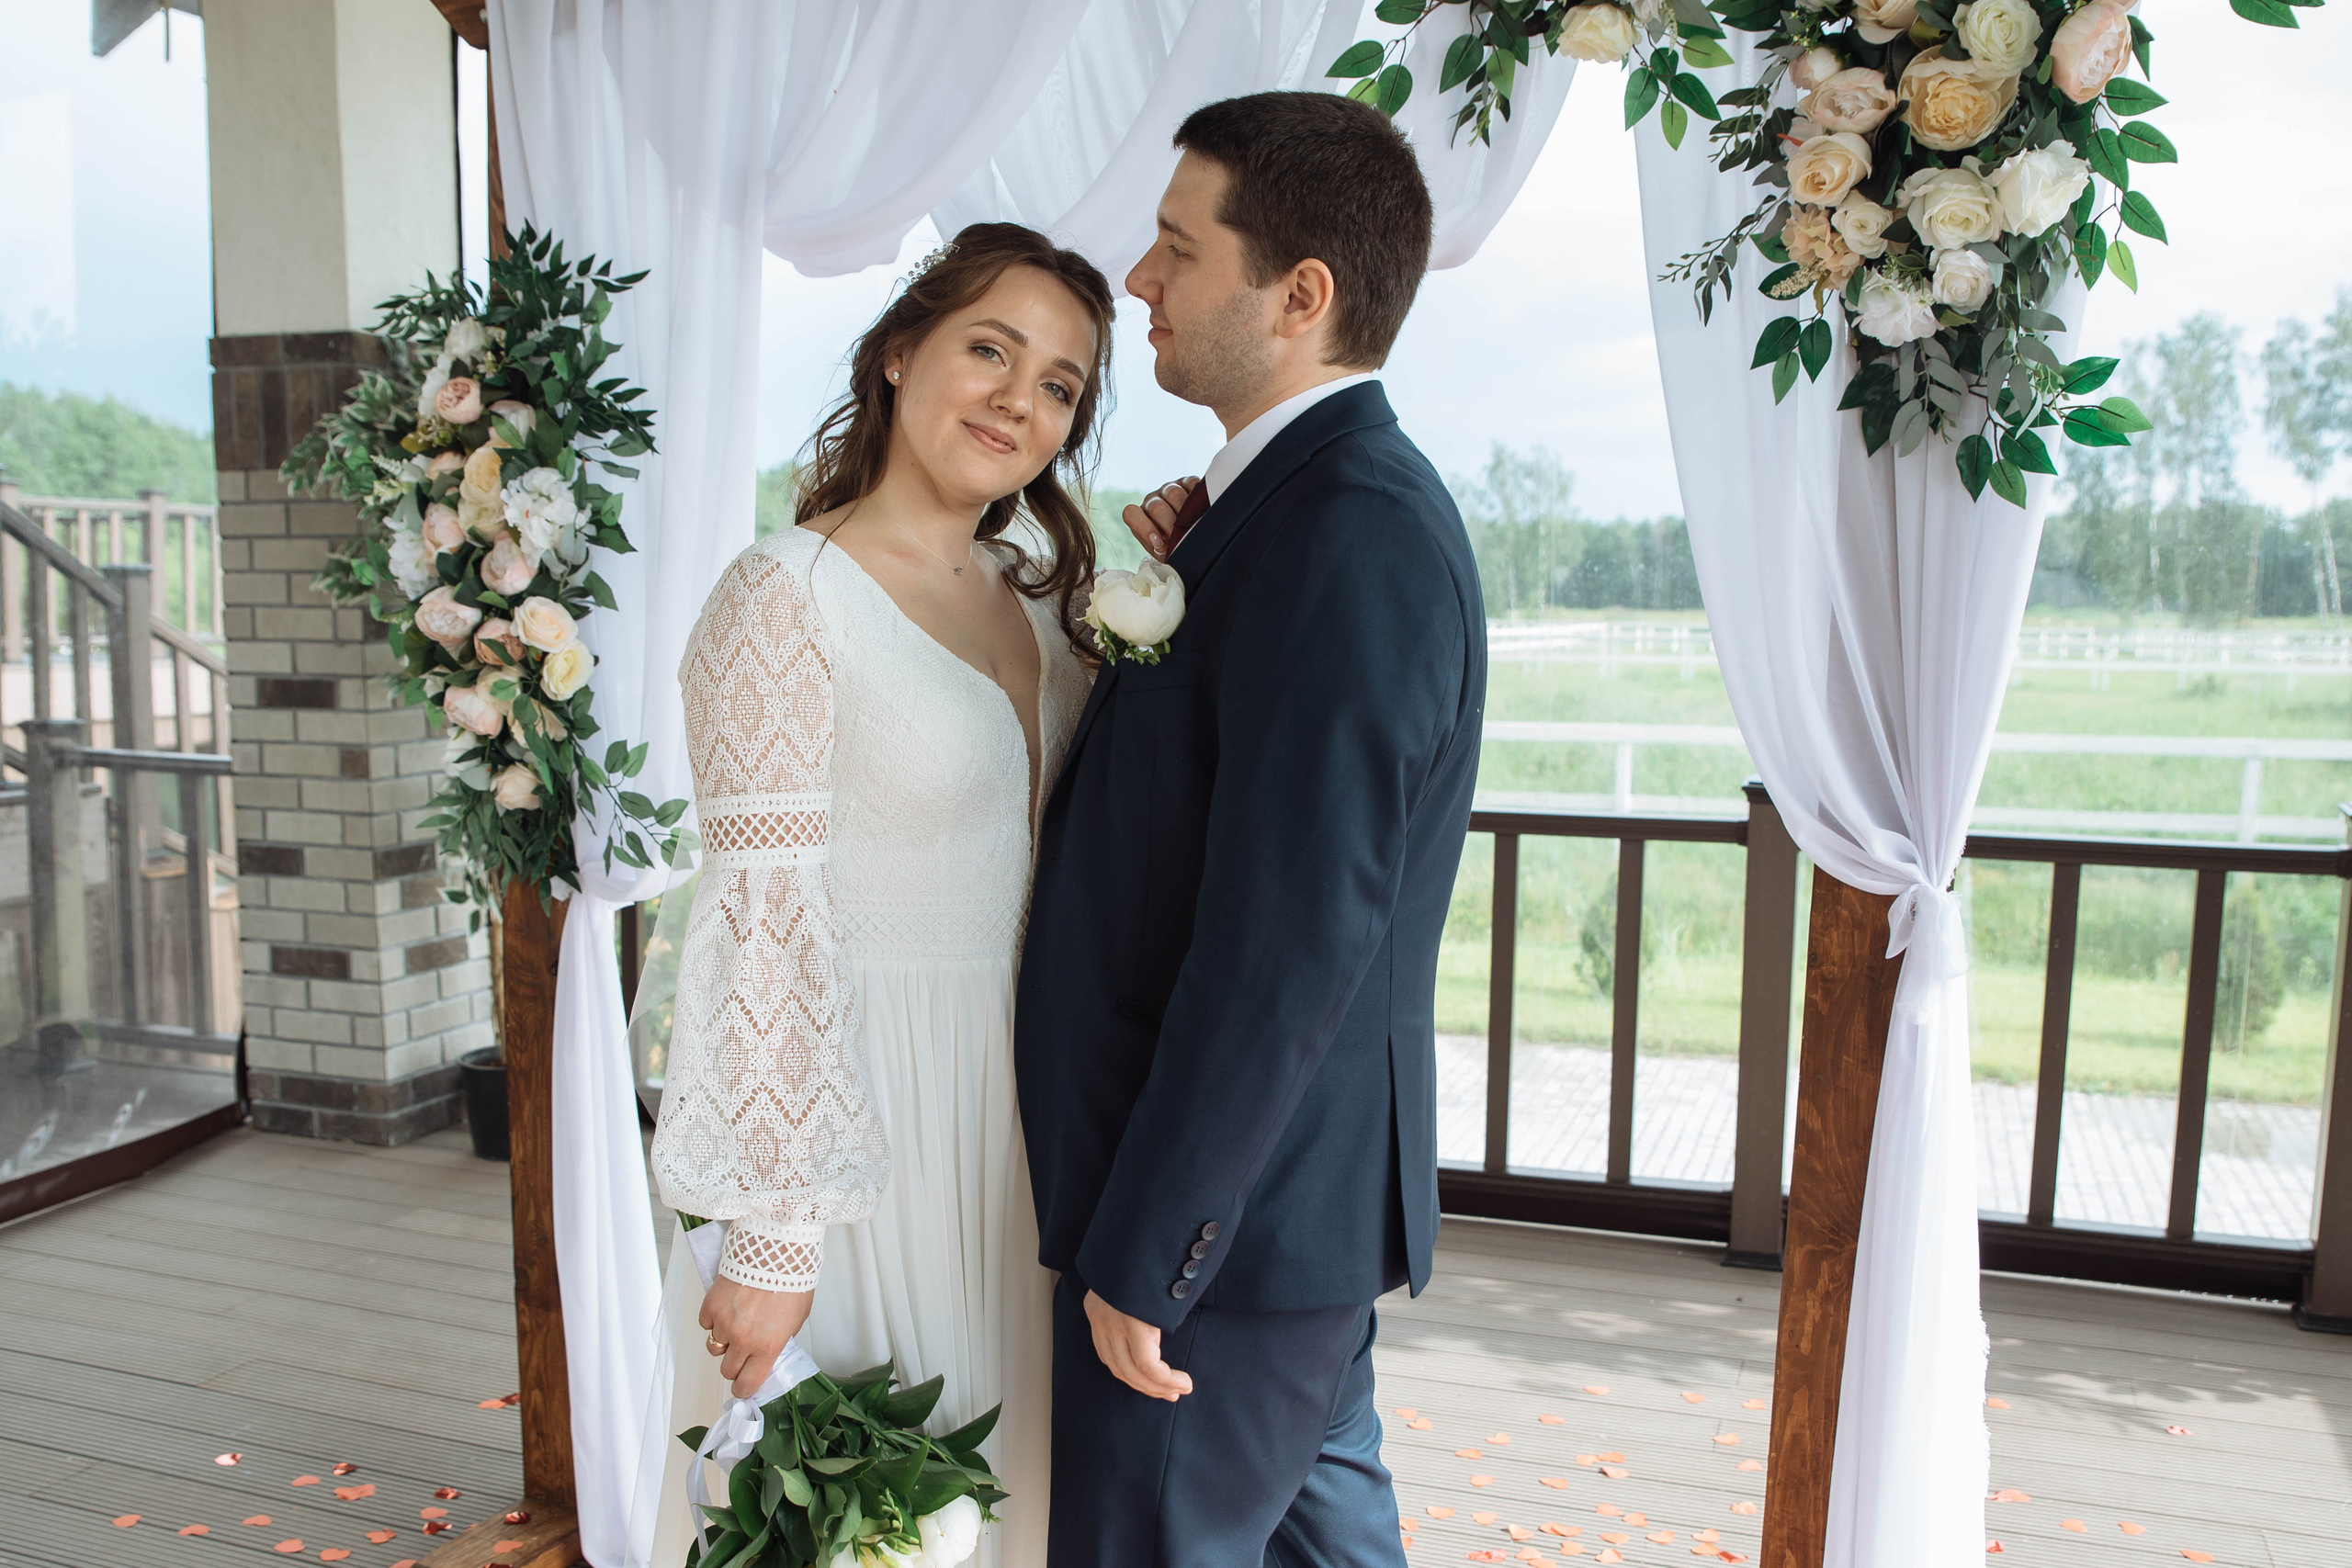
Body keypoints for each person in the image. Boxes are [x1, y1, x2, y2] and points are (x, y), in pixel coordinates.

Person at [1017, 92, 1487, 1568]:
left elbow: (1290, 943)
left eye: (1174, 248)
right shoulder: (1274, 515)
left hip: (1224, 1243)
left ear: (1300, 296)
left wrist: (1154, 1253)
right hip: (1283, 1230)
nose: (1140, 286)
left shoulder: (1348, 532)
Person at [646, 222, 1114, 1568]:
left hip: (1020, 1127)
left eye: (1063, 384)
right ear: (899, 355)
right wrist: (774, 1241)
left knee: (1005, 1505)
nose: (1020, 398)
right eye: (990, 348)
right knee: (873, 1521)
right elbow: (761, 924)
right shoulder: (784, 596)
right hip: (866, 1134)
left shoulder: (1036, 605)